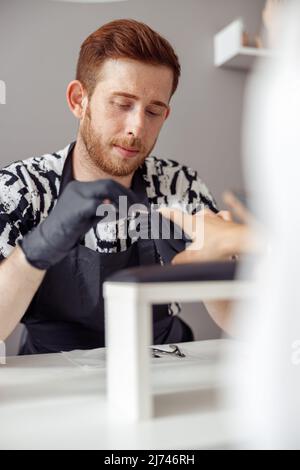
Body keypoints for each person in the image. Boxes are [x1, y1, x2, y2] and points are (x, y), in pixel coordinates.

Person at [0, 19, 223, 354]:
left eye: (153, 111)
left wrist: (209, 264)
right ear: (79, 100)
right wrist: (35, 251)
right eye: (121, 104)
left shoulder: (180, 187)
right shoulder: (22, 189)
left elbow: (247, 320)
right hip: (52, 372)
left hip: (162, 363)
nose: (137, 127)